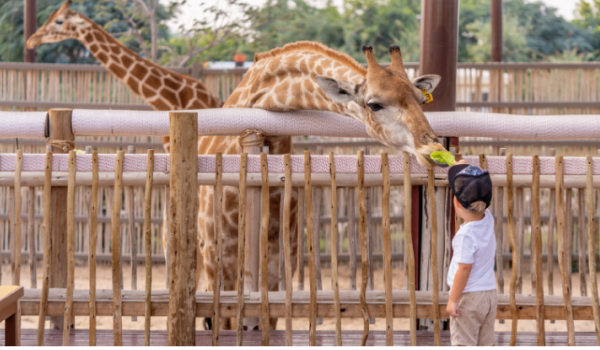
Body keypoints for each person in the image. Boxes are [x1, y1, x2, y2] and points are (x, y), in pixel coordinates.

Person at [446, 160, 497, 347]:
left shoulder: (466, 235)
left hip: (468, 298)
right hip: (489, 295)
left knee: (464, 343)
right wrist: (464, 165)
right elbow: (479, 191)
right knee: (485, 342)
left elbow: (464, 269)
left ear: (457, 203)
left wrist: (453, 300)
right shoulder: (487, 218)